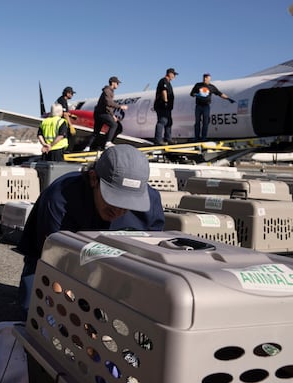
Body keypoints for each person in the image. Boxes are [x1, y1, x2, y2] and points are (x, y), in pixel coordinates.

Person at [16, 144, 165, 318]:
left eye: (128, 204)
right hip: (54, 262)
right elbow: (55, 262)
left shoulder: (151, 204)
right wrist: (74, 322)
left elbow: (151, 264)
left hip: (115, 266)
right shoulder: (60, 198)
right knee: (37, 316)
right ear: (94, 179)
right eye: (114, 200)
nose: (119, 211)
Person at [190, 73, 236, 141]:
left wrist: (228, 99)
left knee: (205, 122)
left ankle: (204, 137)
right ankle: (196, 137)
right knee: (197, 122)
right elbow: (191, 94)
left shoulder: (211, 87)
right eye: (208, 79)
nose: (209, 80)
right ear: (205, 78)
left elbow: (219, 93)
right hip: (198, 106)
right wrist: (197, 94)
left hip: (206, 106)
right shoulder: (198, 85)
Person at [87, 76, 128, 151]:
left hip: (100, 113)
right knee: (114, 125)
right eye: (117, 83)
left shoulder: (109, 91)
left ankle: (87, 147)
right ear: (113, 83)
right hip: (101, 113)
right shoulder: (108, 91)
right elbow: (108, 103)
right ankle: (108, 142)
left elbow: (108, 107)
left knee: (96, 132)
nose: (118, 85)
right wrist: (120, 107)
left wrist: (113, 116)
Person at [153, 68, 177, 145]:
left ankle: (168, 138)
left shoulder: (169, 83)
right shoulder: (163, 81)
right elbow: (164, 91)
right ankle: (158, 139)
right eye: (173, 74)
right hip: (162, 105)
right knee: (162, 121)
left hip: (168, 107)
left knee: (169, 122)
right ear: (169, 73)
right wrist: (166, 101)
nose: (174, 76)